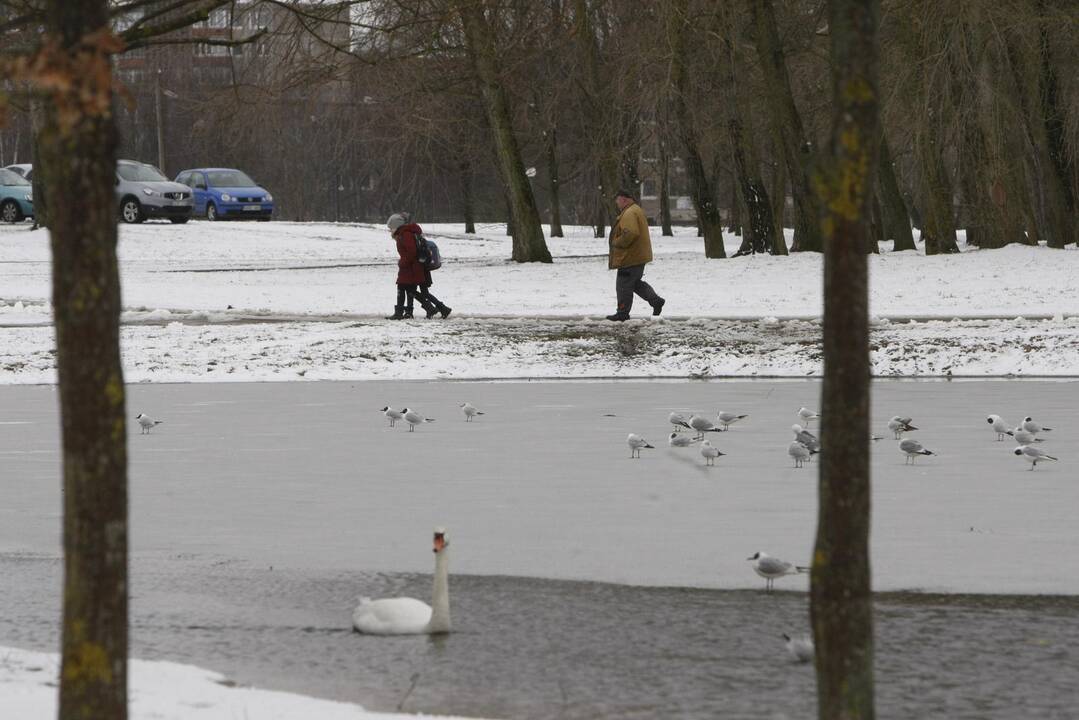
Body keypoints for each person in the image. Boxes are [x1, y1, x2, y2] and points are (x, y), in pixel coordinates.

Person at [607, 189, 665, 321]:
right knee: (634, 283)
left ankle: (622, 312)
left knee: (623, 285)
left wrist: (617, 242)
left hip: (630, 257)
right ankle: (656, 301)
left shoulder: (629, 213)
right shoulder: (635, 210)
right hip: (638, 256)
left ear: (624, 199)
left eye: (618, 200)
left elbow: (631, 233)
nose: (617, 203)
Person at [386, 213, 451, 320]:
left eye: (391, 228)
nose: (390, 230)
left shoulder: (405, 234)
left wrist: (402, 262)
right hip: (414, 266)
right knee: (410, 289)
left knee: (406, 288)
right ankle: (435, 308)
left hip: (412, 267)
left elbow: (412, 252)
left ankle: (425, 309)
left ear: (397, 226)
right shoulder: (405, 233)